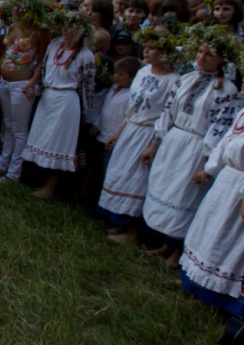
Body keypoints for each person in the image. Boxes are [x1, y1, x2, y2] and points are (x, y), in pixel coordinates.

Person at [142, 24, 241, 270]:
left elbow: (220, 127)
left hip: (196, 148)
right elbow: (167, 111)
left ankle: (177, 252)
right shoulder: (186, 79)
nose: (201, 57)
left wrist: (207, 163)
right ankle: (166, 244)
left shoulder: (225, 89)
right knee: (166, 189)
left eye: (208, 54)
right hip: (175, 141)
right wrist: (156, 143)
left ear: (221, 59)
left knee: (185, 195)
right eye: (199, 52)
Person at [97, 19, 183, 244]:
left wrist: (154, 144)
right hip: (132, 129)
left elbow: (167, 116)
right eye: (146, 46)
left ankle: (134, 232)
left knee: (138, 179)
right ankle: (121, 222)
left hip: (148, 134)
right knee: (121, 174)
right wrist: (119, 132)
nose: (147, 50)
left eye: (153, 48)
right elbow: (133, 107)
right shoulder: (144, 72)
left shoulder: (173, 80)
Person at [22, 11, 96, 199]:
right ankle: (42, 180)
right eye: (64, 25)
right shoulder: (54, 46)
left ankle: (52, 187)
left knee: (59, 144)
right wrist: (37, 87)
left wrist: (88, 114)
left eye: (71, 27)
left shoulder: (86, 56)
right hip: (48, 97)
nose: (65, 30)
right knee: (44, 138)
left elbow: (88, 87)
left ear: (80, 31)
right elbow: (45, 69)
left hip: (66, 102)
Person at [181, 105, 244, 316]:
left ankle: (220, 301)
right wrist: (211, 168)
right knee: (210, 236)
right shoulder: (242, 112)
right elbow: (226, 141)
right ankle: (199, 287)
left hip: (240, 191)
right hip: (227, 183)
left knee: (228, 243)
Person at [0, 0, 49, 183]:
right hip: (5, 82)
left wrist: (32, 82)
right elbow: (6, 55)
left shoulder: (40, 31)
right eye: (17, 5)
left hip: (22, 84)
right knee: (9, 125)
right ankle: (2, 164)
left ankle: (14, 172)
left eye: (22, 6)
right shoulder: (13, 27)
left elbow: (41, 60)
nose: (18, 9)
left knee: (20, 129)